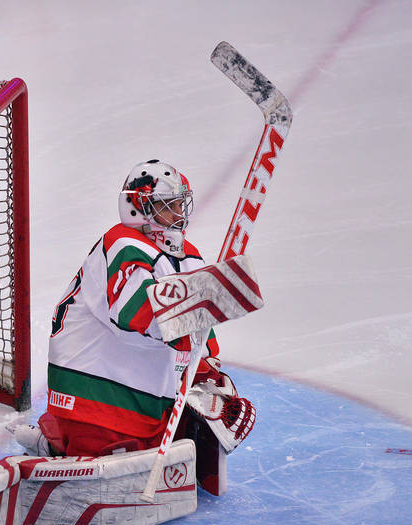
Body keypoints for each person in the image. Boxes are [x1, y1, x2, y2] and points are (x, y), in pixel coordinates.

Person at [17, 160, 255, 479]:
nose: (178, 213)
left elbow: (199, 337)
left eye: (180, 203)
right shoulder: (123, 243)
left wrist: (210, 381)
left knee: (190, 421)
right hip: (96, 395)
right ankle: (62, 448)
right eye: (167, 205)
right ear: (137, 206)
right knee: (121, 458)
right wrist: (207, 298)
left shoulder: (187, 255)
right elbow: (136, 311)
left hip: (137, 401)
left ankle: (58, 441)